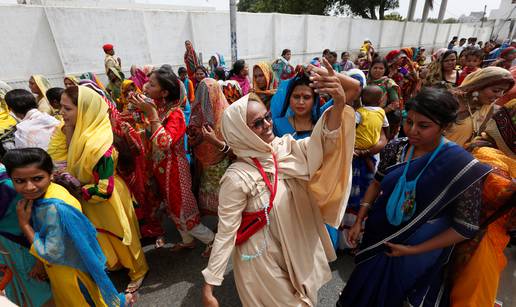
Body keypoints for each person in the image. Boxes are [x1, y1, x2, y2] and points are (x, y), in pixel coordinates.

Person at [202, 59, 359, 307]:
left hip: (296, 248)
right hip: (260, 258)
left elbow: (323, 142)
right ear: (240, 133)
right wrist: (210, 285)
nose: (267, 125)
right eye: (257, 123)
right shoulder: (236, 177)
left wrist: (339, 103)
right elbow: (226, 231)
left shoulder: (284, 148)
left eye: (266, 117)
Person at [337, 88, 491, 307]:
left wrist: (412, 250)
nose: (412, 130)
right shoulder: (396, 148)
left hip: (417, 252)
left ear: (445, 126)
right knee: (360, 291)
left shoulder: (459, 165)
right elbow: (376, 183)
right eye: (409, 122)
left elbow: (465, 227)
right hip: (378, 234)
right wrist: (359, 220)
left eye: (424, 126)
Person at [2, 148, 135, 307]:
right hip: (70, 268)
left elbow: (50, 253)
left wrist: (24, 225)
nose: (29, 187)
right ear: (11, 179)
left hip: (72, 274)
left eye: (37, 178)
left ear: (50, 174)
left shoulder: (53, 208)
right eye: (20, 181)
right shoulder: (47, 193)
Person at [58, 86, 148, 293]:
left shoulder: (99, 145)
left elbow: (104, 189)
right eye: (61, 108)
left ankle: (138, 271)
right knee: (101, 234)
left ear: (85, 110)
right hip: (91, 197)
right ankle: (116, 263)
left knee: (121, 235)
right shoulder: (82, 135)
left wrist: (78, 191)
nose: (61, 113)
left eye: (67, 108)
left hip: (107, 198)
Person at [128, 66, 215, 255]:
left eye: (151, 85)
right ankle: (188, 240)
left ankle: (211, 240)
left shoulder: (175, 114)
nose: (145, 87)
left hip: (174, 169)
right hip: (161, 169)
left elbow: (164, 142)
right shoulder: (158, 109)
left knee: (182, 208)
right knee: (171, 207)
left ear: (165, 92)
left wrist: (150, 115)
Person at [444, 100, 515, 307]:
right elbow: (501, 191)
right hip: (479, 241)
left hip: (491, 239)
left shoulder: (505, 154)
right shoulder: (487, 154)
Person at [340, 86, 389, 250]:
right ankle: (356, 239)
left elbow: (349, 130)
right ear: (380, 99)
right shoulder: (381, 113)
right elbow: (385, 133)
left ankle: (348, 239)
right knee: (365, 192)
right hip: (368, 155)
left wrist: (361, 151)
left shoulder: (359, 113)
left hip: (356, 153)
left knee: (353, 195)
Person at [0, 163, 52, 306]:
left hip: (25, 252)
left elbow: (41, 224)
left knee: (41, 294)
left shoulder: (11, 184)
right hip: (7, 257)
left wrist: (40, 261)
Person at [187, 78, 230, 216]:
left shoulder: (227, 114)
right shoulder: (198, 112)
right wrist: (194, 137)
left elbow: (232, 145)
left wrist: (213, 141)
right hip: (204, 160)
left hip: (222, 159)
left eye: (209, 94)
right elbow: (193, 131)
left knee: (224, 195)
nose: (206, 98)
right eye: (203, 93)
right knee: (209, 191)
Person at [447, 67, 515, 147]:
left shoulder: (488, 107)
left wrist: (473, 144)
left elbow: (477, 135)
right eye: (496, 90)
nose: (500, 95)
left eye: (503, 91)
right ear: (478, 86)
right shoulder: (449, 102)